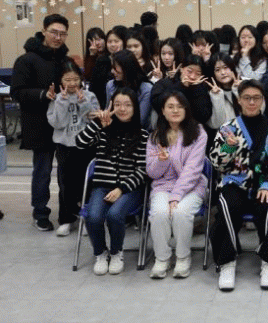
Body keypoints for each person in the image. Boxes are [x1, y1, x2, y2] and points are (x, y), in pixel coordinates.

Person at [209, 80, 268, 291]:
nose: (252, 102)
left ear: (262, 100)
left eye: (256, 98)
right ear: (239, 100)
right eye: (247, 98)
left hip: (263, 185)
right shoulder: (228, 128)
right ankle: (226, 262)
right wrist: (227, 148)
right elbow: (216, 163)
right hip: (235, 183)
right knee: (226, 205)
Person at [76, 88, 149, 275]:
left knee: (115, 215)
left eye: (127, 105)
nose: (122, 109)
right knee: (93, 217)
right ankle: (100, 253)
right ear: (111, 107)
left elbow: (143, 170)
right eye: (117, 104)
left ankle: (116, 252)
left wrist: (121, 189)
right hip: (102, 186)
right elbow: (80, 143)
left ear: (135, 108)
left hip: (129, 189)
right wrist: (97, 124)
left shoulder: (143, 135)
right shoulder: (104, 129)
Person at [11, 14, 72, 231]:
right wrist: (42, 94)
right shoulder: (27, 60)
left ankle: (68, 211)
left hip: (65, 125)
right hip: (39, 124)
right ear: (44, 31)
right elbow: (17, 91)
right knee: (42, 170)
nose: (58, 37)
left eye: (63, 33)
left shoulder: (66, 60)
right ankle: (40, 212)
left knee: (66, 171)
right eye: (54, 32)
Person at [146, 91, 208, 279]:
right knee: (159, 213)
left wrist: (176, 196)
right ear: (163, 111)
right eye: (170, 107)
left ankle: (182, 257)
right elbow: (152, 173)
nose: (175, 110)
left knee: (181, 213)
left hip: (192, 186)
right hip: (163, 187)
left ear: (186, 109)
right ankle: (162, 258)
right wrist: (162, 161)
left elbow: (193, 170)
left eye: (180, 106)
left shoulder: (198, 133)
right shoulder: (155, 136)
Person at [46, 61, 100, 236]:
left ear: (81, 79)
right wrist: (61, 102)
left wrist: (83, 103)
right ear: (61, 81)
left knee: (87, 184)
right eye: (67, 79)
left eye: (75, 79)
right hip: (65, 146)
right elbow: (57, 123)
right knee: (65, 185)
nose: (72, 83)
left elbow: (94, 120)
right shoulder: (56, 98)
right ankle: (66, 219)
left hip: (86, 146)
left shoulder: (90, 95)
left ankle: (86, 219)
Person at [150, 55, 212, 127]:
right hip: (167, 127)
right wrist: (181, 86)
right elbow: (157, 103)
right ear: (181, 69)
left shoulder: (202, 89)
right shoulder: (164, 83)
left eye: (198, 74)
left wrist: (195, 90)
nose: (192, 76)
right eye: (189, 71)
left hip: (192, 130)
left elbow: (204, 117)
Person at [105, 50, 153, 128]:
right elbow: (108, 111)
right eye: (111, 67)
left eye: (115, 67)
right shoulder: (111, 85)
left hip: (137, 130)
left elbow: (140, 120)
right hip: (113, 128)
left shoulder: (146, 89)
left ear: (126, 67)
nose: (112, 71)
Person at [91, 26, 127, 108]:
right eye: (109, 42)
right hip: (103, 104)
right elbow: (94, 86)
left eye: (116, 41)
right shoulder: (101, 60)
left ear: (124, 42)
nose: (113, 44)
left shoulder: (128, 60)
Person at [206, 53, 241, 132]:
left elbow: (258, 111)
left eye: (225, 67)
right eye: (217, 70)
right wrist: (217, 96)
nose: (223, 72)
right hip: (228, 136)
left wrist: (240, 90)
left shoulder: (246, 83)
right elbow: (216, 124)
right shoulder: (211, 93)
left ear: (232, 68)